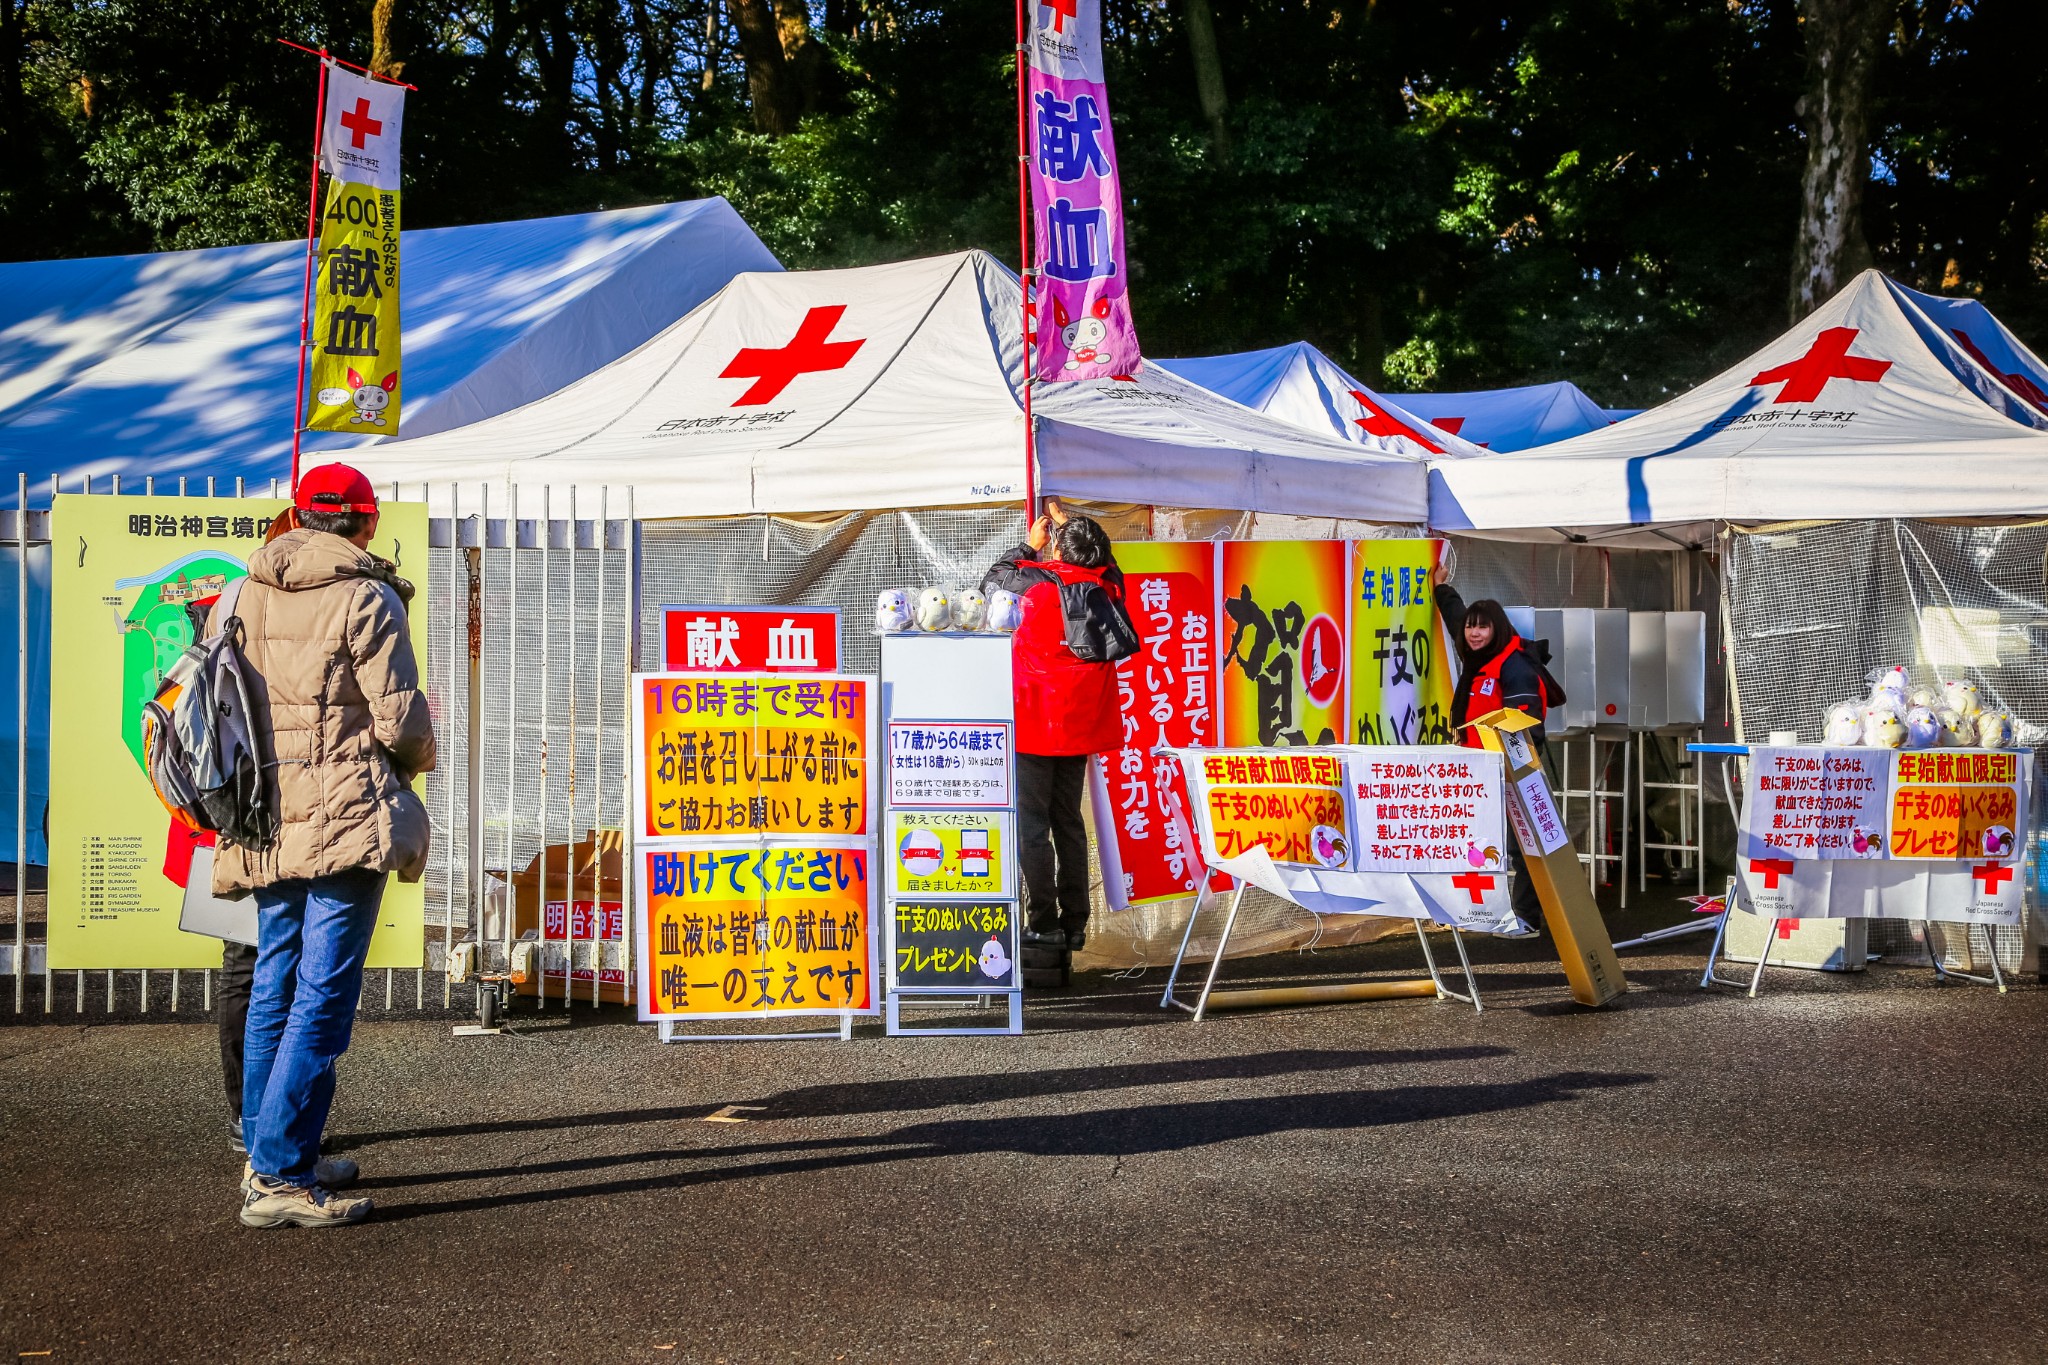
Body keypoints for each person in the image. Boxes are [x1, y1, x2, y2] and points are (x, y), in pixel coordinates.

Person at [213, 464, 435, 1228]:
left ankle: (272, 1150)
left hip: (265, 814)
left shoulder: (240, 593)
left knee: (276, 975)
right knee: (323, 993)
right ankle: (280, 1171)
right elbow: (402, 721)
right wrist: (412, 765)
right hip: (343, 817)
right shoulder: (366, 597)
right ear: (366, 524)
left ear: (301, 516)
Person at [983, 500, 1125, 953]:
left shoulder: (1033, 588)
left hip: (1032, 723)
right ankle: (1076, 921)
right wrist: (1073, 529)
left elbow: (991, 582)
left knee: (1031, 828)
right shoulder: (1107, 591)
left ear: (1058, 551)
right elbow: (1111, 566)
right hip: (1080, 727)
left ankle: (1043, 922)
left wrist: (1031, 543)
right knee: (1068, 822)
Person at [1431, 564, 1561, 935]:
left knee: (1524, 846)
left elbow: (1527, 722)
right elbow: (1457, 617)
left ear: (1497, 630)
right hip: (1477, 769)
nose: (1473, 632)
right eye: (1471, 626)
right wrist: (1442, 588)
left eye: (1482, 627)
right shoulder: (1478, 655)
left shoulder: (1514, 664)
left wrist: (1507, 766)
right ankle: (1483, 913)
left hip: (1511, 770)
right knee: (1481, 842)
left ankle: (1527, 918)